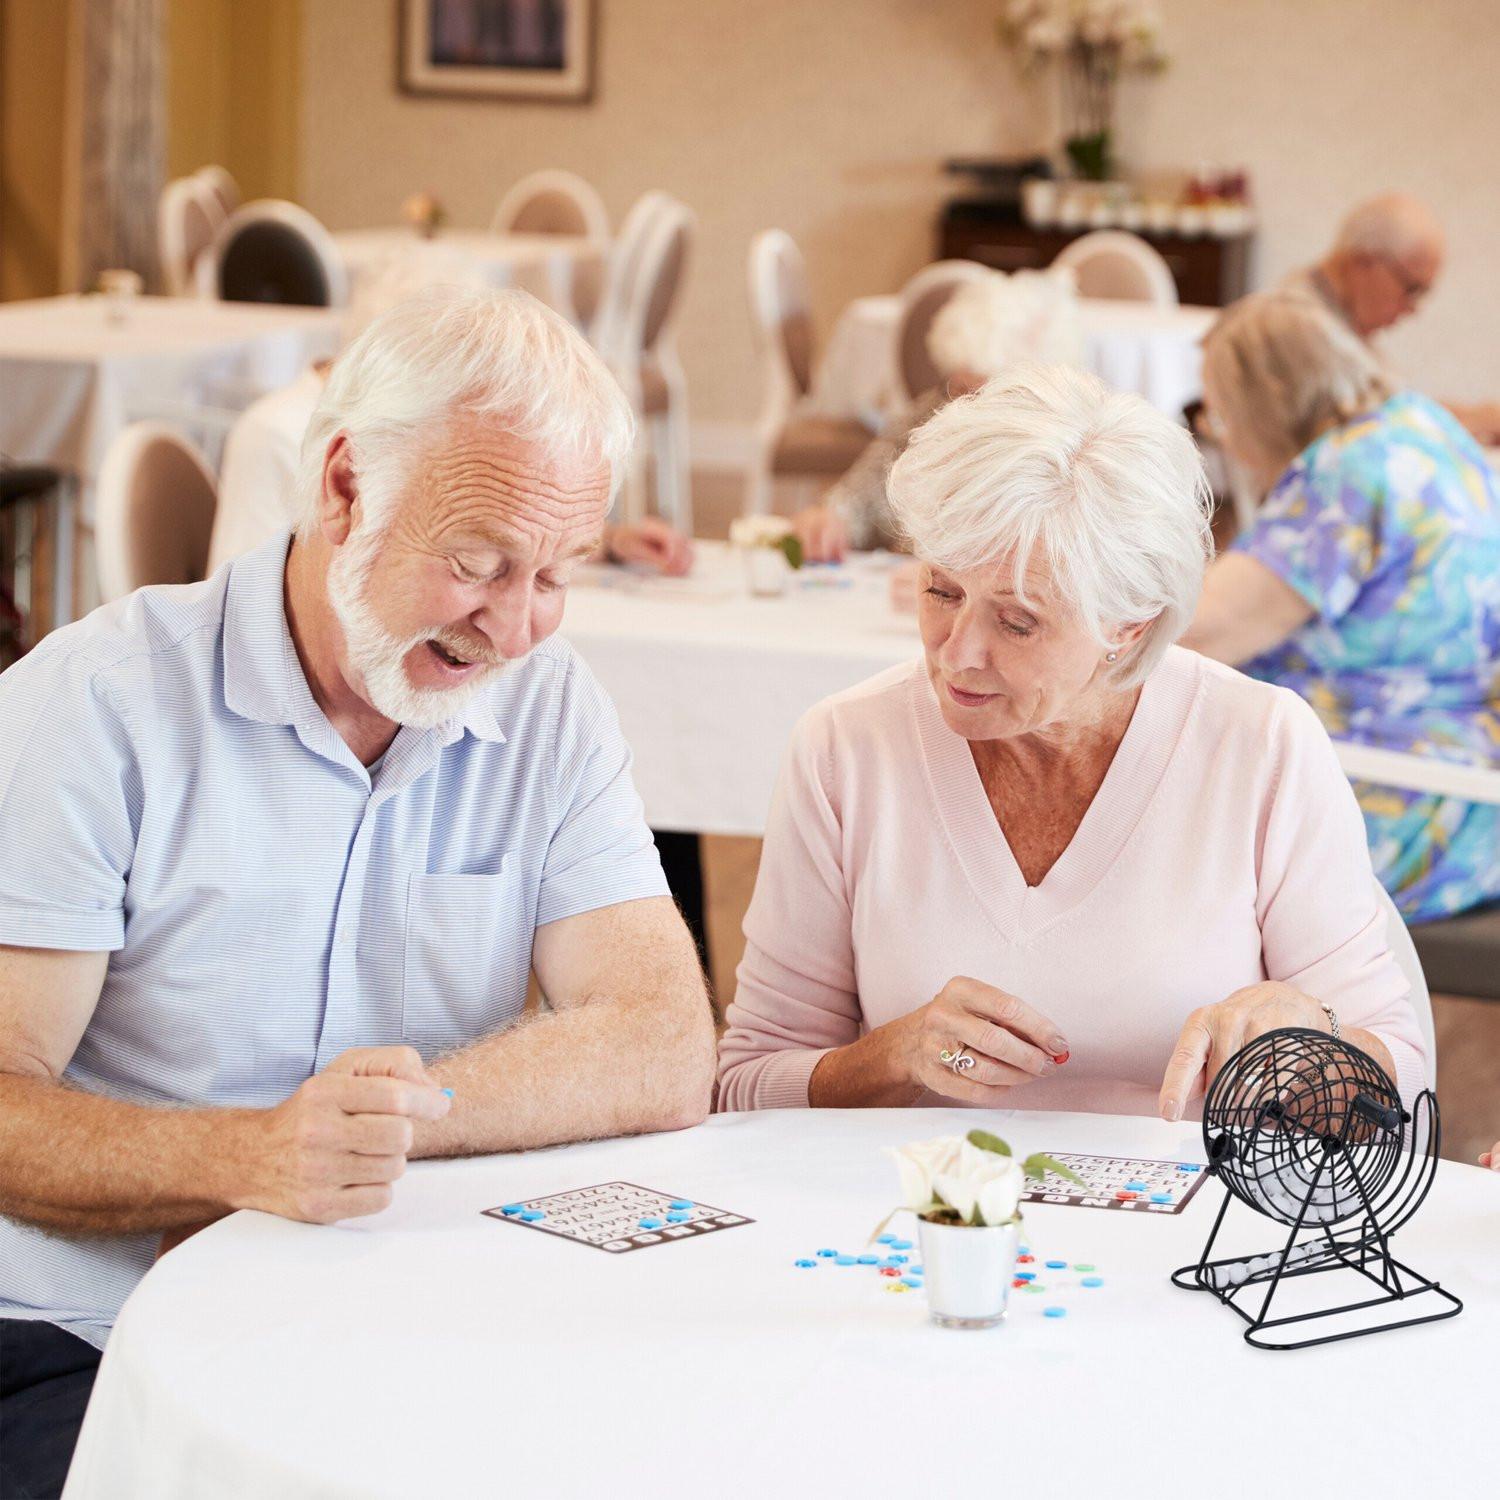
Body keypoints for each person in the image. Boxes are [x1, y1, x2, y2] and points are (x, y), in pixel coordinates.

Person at [0, 287, 715, 1497]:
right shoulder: (99, 704)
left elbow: (663, 1041)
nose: (516, 625)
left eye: (555, 574)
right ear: (342, 487)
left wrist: (396, 1114)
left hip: (392, 1314)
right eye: (479, 562)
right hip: (85, 1336)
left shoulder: (548, 705)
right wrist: (249, 1158)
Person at [717, 364, 1425, 1122]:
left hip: (1188, 1226)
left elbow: (1402, 1083)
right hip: (924, 1225)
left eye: (1018, 622)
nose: (957, 653)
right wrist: (892, 1055)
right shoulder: (846, 748)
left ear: (1131, 627)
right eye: (941, 591)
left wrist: (1306, 1039)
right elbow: (748, 1082)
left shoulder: (1261, 748)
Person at [1183, 293, 1500, 923]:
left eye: (1223, 417)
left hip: (1400, 803)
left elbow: (1199, 629)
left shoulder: (1350, 473)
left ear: (1267, 401)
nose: (1232, 443)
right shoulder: (1419, 425)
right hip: (1464, 788)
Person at [790, 269, 1081, 562]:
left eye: (984, 393)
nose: (963, 405)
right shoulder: (938, 405)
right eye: (960, 386)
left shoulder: (1061, 449)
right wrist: (835, 517)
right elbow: (872, 488)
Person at [1281, 192, 1500, 444]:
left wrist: (1470, 415)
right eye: (1412, 289)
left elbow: (1390, 404)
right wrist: (1467, 423)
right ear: (1364, 261)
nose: (1412, 309)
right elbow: (1368, 438)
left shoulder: (1339, 322)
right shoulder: (1297, 325)